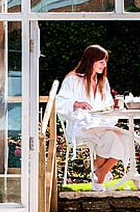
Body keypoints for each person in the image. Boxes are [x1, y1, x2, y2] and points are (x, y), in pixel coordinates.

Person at [56, 44, 131, 191]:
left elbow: (107, 105)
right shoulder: (73, 79)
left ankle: (99, 173)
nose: (104, 65)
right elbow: (59, 102)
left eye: (105, 62)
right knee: (109, 137)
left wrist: (113, 109)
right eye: (101, 62)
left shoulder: (103, 81)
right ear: (90, 61)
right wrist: (75, 104)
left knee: (124, 138)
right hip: (80, 125)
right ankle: (99, 178)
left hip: (100, 124)